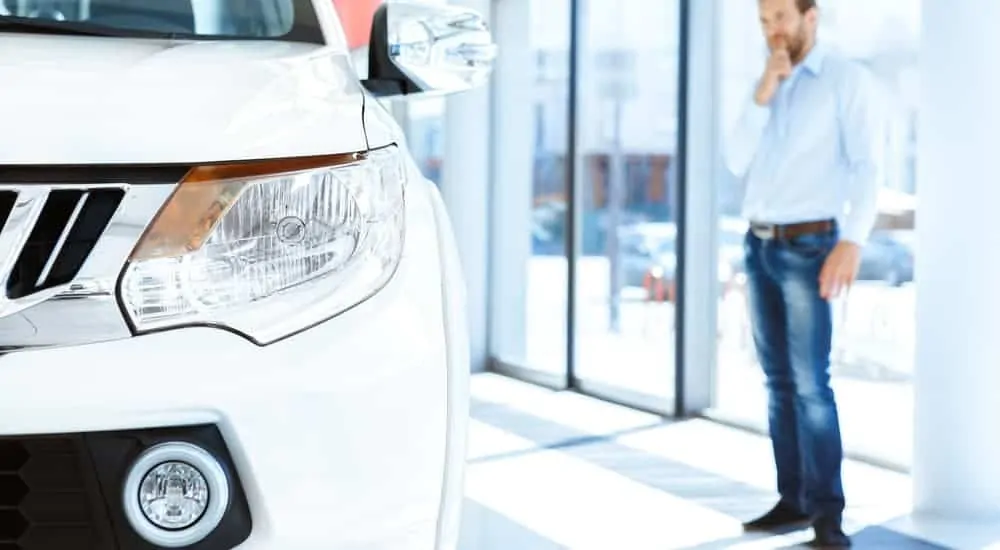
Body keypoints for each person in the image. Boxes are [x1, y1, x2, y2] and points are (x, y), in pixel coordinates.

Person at [723, 0, 882, 547]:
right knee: (778, 383)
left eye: (781, 19)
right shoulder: (769, 81)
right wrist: (763, 93)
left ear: (810, 16)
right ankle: (792, 500)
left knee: (812, 384)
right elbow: (736, 159)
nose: (772, 31)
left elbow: (867, 165)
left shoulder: (845, 80)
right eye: (764, 21)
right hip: (759, 244)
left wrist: (852, 242)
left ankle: (827, 519)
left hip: (811, 243)